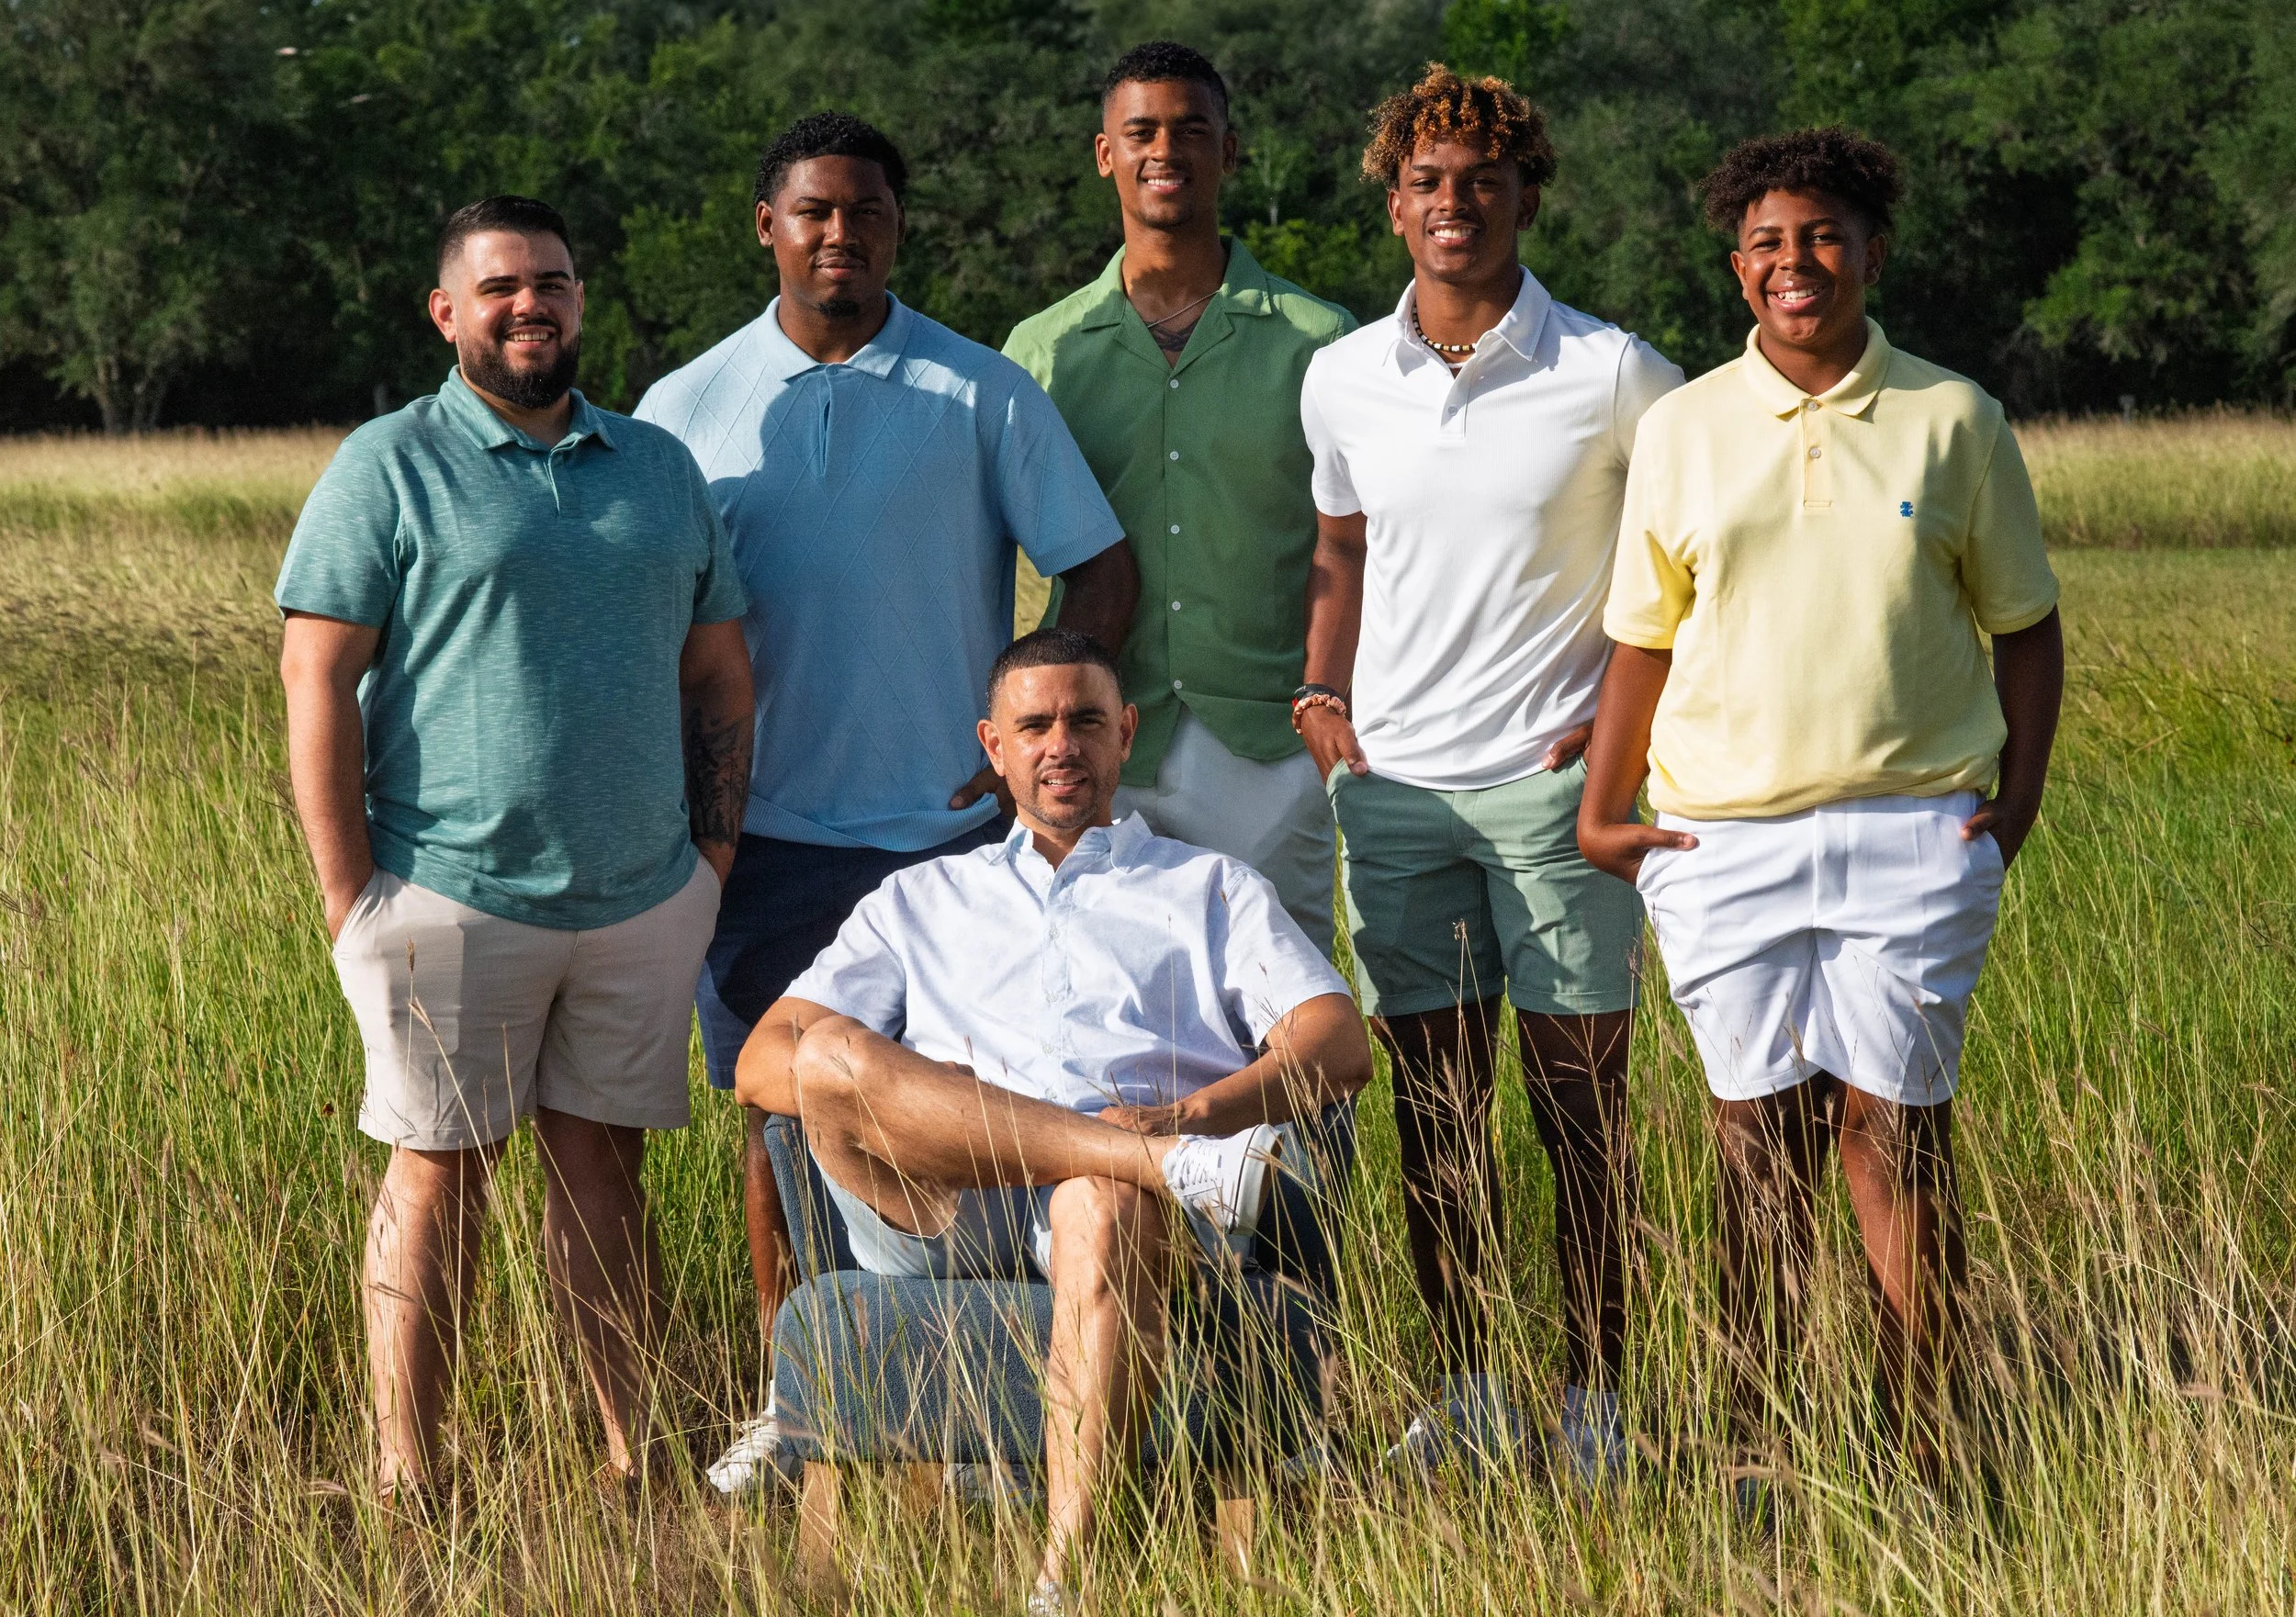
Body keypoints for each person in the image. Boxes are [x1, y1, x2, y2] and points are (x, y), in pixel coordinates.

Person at [633, 112, 1137, 1490]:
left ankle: (993, 1406)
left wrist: (1025, 731)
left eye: (865, 213)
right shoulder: (686, 406)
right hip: (761, 841)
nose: (839, 234)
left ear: (896, 230)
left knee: (971, 1121)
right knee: (781, 1128)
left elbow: (1097, 568)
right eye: (813, 213)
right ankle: (795, 1403)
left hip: (950, 838)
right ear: (768, 227)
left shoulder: (978, 391)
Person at [1576, 128, 2064, 1496]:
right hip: (1721, 838)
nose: (1797, 265)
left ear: (1873, 249)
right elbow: (1643, 638)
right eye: (1769, 245)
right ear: (1737, 266)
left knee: (1896, 1137)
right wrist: (1603, 813)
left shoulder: (1956, 417)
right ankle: (1764, 1452)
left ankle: (1928, 1450)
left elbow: (2026, 624)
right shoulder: (1681, 429)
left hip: (1913, 831)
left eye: (1824, 236)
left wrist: (2013, 804)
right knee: (1755, 1145)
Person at [736, 626, 1372, 1613]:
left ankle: (1069, 1578)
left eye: (1083, 721)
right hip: (940, 1202)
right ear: (994, 747)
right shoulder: (919, 899)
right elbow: (760, 1064)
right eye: (1033, 725)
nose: (1059, 744)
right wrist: (937, 1100)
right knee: (824, 1052)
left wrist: (1196, 1111)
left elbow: (1338, 1042)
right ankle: (1160, 1164)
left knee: (1101, 1199)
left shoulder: (1209, 889)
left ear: (1125, 734)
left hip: (1128, 1214)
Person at [276, 196, 753, 1501]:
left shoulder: (656, 468)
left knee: (606, 1172)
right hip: (446, 889)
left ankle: (631, 1458)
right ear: (447, 313)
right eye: (499, 288)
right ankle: (408, 1471)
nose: (529, 305)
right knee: (438, 1178)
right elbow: (315, 674)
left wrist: (708, 862)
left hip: (642, 894)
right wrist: (349, 894)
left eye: (551, 281)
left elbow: (718, 674)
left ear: (580, 299)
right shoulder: (387, 463)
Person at [1295, 65, 1683, 1481]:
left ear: (1527, 197)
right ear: (1394, 203)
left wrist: (1632, 724)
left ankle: (1596, 1400)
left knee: (1581, 1110)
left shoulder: (1613, 369)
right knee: (1436, 1112)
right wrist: (1323, 693)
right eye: (1428, 182)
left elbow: (1700, 553)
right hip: (1392, 795)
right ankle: (1465, 1391)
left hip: (1553, 794)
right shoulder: (1341, 375)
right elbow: (1340, 546)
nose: (1453, 205)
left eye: (1482, 181)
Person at [1003, 41, 1356, 949]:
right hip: (1089, 739)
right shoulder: (1041, 352)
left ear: (1229, 153)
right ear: (1103, 153)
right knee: (1106, 1006)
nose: (1166, 149)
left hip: (1265, 740)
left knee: (1286, 1012)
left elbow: (1359, 546)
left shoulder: (1319, 343)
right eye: (1142, 131)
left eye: (1191, 129)